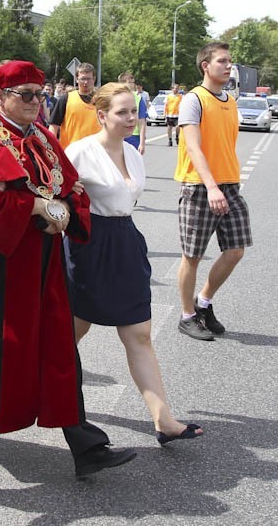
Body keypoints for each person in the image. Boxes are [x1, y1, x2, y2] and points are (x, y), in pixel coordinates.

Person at [0, 60, 136, 479]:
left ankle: (84, 444)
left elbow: (72, 190)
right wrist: (32, 207)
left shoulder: (45, 139)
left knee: (58, 348)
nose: (36, 102)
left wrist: (61, 211)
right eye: (26, 95)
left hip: (46, 260)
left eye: (39, 94)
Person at [64, 82, 204, 445]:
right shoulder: (79, 151)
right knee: (71, 333)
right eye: (122, 112)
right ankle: (37, 392)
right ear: (102, 115)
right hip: (89, 247)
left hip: (125, 244)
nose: (131, 118)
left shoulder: (134, 153)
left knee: (139, 335)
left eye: (134, 111)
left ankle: (164, 420)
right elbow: (56, 195)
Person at [175, 42, 252, 341]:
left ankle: (203, 302)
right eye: (222, 61)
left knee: (235, 250)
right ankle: (186, 316)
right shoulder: (193, 99)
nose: (228, 65)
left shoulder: (230, 100)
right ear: (205, 65)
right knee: (192, 256)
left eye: (230, 61)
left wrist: (224, 185)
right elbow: (193, 146)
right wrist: (210, 186)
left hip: (229, 185)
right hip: (199, 186)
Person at [49, 62, 99, 149]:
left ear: (94, 79)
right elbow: (53, 126)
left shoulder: (101, 101)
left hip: (96, 152)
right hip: (69, 153)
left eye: (89, 79)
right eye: (82, 79)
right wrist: (52, 148)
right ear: (76, 79)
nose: (86, 82)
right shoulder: (66, 99)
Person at [116, 72, 148, 154]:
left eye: (133, 82)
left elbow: (142, 122)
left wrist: (142, 143)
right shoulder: (114, 98)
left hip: (133, 137)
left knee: (132, 164)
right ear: (122, 84)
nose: (133, 85)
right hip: (117, 135)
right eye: (130, 82)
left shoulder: (138, 98)